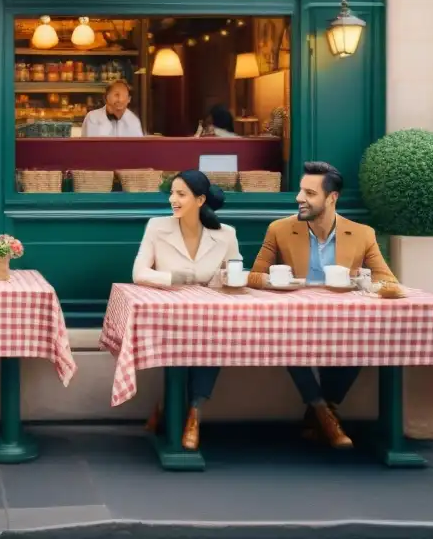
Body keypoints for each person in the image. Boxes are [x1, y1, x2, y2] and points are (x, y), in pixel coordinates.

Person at [248, 161, 398, 449]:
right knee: (285, 338)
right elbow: (255, 276)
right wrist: (281, 283)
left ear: (332, 198)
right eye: (300, 191)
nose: (299, 198)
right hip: (295, 322)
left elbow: (387, 281)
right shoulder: (279, 229)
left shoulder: (362, 233)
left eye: (309, 193)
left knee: (368, 341)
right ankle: (324, 415)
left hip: (344, 321)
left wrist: (361, 283)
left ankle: (319, 411)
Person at [132, 170, 240, 451]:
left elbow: (235, 273)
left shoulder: (226, 234)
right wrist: (173, 278)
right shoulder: (157, 226)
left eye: (180, 194)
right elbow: (139, 273)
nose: (173, 200)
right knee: (182, 344)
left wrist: (220, 279)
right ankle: (171, 406)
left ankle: (194, 413)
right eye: (172, 193)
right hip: (170, 312)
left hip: (211, 313)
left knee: (217, 339)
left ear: (200, 199)